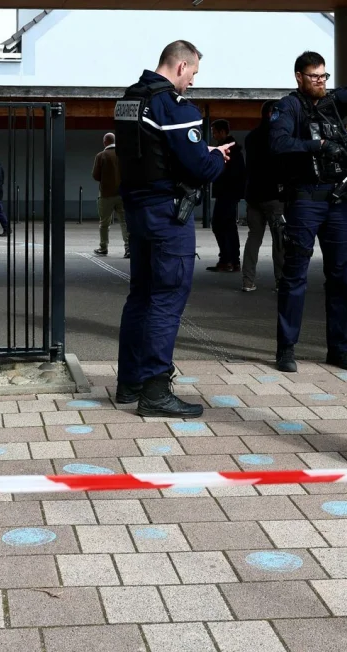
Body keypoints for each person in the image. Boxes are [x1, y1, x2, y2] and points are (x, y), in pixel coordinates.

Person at [114, 40, 233, 417]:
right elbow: (199, 168)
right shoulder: (173, 106)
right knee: (166, 300)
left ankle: (130, 383)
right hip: (168, 215)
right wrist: (217, 157)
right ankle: (155, 391)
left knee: (140, 296)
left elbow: (152, 152)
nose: (192, 82)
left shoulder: (129, 100)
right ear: (181, 66)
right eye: (193, 73)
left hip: (137, 210)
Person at [270, 50, 347, 373]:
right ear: (298, 77)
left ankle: (339, 349)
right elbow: (278, 143)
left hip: (338, 201)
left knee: (341, 277)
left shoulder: (330, 103)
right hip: (305, 198)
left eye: (323, 75)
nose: (319, 81)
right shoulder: (288, 106)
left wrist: (332, 93)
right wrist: (316, 145)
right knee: (295, 276)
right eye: (313, 76)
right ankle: (286, 350)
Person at [242, 100, 285, 292]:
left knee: (254, 238)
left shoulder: (251, 137)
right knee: (279, 240)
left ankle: (247, 281)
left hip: (253, 195)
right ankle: (281, 281)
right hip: (274, 195)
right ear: (271, 113)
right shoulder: (278, 136)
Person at [207, 119, 245, 272]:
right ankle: (233, 260)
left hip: (226, 192)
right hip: (231, 193)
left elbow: (226, 173)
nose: (213, 135)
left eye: (215, 132)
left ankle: (226, 259)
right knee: (229, 226)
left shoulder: (227, 150)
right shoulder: (235, 150)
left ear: (222, 132)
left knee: (219, 224)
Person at [92, 133, 129, 258]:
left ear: (105, 142)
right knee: (124, 222)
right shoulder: (123, 155)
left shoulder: (101, 156)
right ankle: (128, 248)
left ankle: (103, 247)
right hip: (122, 194)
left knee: (104, 223)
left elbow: (95, 176)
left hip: (106, 194)